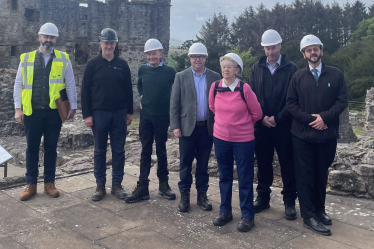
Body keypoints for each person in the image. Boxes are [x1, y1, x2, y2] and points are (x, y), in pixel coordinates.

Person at [286, 35, 348, 236]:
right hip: (302, 136)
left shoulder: (336, 75)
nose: (313, 53)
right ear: (304, 54)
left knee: (322, 174)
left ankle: (320, 210)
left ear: (321, 51)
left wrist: (324, 118)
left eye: (316, 49)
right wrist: (311, 120)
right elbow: (291, 104)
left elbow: (341, 101)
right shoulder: (297, 77)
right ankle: (308, 215)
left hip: (326, 135)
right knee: (304, 176)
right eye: (308, 50)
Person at [13, 23, 77, 201]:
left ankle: (49, 183)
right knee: (31, 149)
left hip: (53, 112)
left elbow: (70, 83)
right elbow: (18, 84)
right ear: (39, 37)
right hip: (32, 111)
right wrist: (18, 108)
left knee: (51, 148)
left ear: (56, 39)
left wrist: (73, 106)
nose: (49, 40)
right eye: (46, 37)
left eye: (52, 37)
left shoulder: (64, 59)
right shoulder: (26, 58)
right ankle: (31, 184)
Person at [248, 29, 298, 219]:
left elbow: (293, 98)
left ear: (280, 46)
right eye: (267, 48)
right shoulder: (255, 68)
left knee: (287, 164)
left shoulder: (291, 68)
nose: (270, 52)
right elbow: (250, 96)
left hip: (283, 126)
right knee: (263, 163)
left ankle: (289, 202)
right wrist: (261, 118)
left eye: (273, 48)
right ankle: (263, 199)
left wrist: (277, 118)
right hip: (261, 126)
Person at [209, 53, 262, 232]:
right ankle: (225, 211)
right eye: (224, 66)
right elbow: (213, 107)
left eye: (230, 66)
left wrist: (240, 125)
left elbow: (257, 113)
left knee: (245, 178)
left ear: (237, 70)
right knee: (224, 176)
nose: (226, 69)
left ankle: (247, 215)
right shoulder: (215, 87)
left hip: (243, 140)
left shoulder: (244, 89)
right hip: (221, 138)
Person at [81, 28, 133, 201]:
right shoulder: (92, 65)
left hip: (119, 113)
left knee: (119, 150)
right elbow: (85, 91)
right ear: (100, 44)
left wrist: (129, 112)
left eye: (112, 42)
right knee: (99, 151)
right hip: (99, 114)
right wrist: (87, 115)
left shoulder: (123, 65)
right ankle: (100, 186)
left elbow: (128, 90)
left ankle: (117, 185)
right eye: (106, 42)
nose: (109, 45)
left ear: (115, 44)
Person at [170, 43, 220, 212]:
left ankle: (202, 196)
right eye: (194, 56)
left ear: (205, 58)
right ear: (189, 58)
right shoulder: (181, 76)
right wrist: (175, 126)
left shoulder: (215, 76)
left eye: (200, 56)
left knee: (203, 164)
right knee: (185, 163)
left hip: (207, 128)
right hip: (186, 128)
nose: (197, 59)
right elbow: (174, 103)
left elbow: (220, 103)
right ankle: (184, 196)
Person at [125, 39, 177, 203]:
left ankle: (163, 184)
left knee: (161, 151)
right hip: (146, 115)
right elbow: (139, 85)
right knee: (145, 151)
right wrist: (142, 97)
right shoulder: (142, 70)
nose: (151, 57)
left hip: (162, 116)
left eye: (154, 53)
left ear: (161, 54)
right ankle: (143, 187)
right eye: (148, 54)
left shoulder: (170, 71)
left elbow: (175, 90)